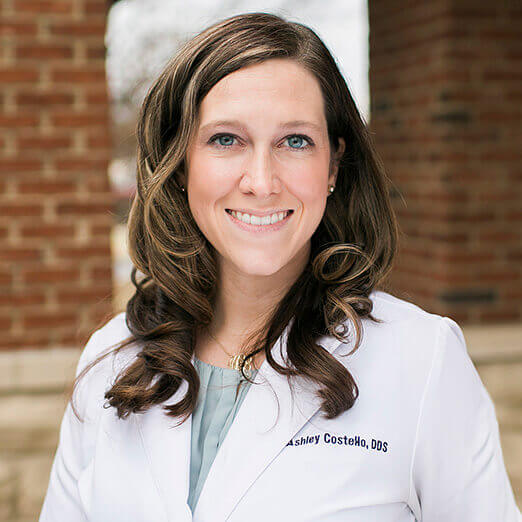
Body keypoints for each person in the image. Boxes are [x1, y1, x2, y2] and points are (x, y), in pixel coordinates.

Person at [39, 12, 520, 522]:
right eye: (226, 139)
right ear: (180, 163)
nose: (262, 182)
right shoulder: (111, 364)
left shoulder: (423, 362)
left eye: (295, 141)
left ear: (334, 165)